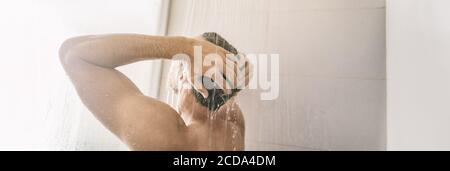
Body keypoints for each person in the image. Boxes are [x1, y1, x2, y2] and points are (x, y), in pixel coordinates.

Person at [59, 34, 252, 150]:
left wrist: (186, 46)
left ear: (187, 75)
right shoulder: (232, 122)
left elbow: (72, 54)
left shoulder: (166, 136)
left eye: (184, 58)